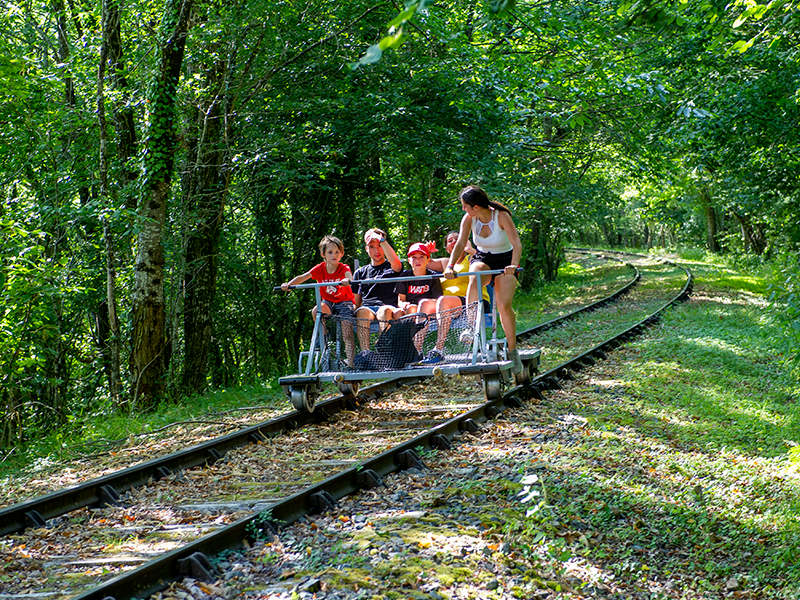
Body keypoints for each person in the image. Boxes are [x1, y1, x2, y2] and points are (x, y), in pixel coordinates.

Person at [443, 185, 523, 374]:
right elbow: (461, 243)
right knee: (475, 275)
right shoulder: (469, 219)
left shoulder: (501, 217)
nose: (464, 209)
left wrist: (513, 265)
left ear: (476, 206)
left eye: (465, 206)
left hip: (505, 260)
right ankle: (471, 327)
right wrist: (450, 266)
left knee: (503, 305)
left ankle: (512, 351)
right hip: (483, 258)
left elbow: (516, 243)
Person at [280, 235, 355, 368]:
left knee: (347, 332)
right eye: (330, 252)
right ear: (323, 255)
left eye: (337, 252)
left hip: (344, 302)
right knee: (317, 311)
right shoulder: (320, 269)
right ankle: (324, 338)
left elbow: (349, 276)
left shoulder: (343, 268)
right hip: (328, 302)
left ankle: (351, 362)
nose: (334, 255)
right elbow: (303, 277)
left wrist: (347, 280)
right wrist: (289, 285)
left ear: (342, 254)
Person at [421, 231, 491, 364]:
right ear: (447, 249)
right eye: (450, 241)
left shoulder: (472, 258)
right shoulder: (445, 263)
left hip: (473, 302)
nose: (453, 242)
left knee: (443, 300)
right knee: (424, 304)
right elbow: (421, 263)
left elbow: (487, 261)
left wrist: (470, 250)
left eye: (457, 239)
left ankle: (438, 350)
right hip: (448, 306)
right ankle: (416, 351)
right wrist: (427, 252)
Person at [351, 228, 403, 351]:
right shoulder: (360, 272)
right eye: (372, 247)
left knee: (383, 311)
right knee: (362, 312)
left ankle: (383, 349)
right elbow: (356, 302)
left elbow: (396, 262)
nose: (376, 251)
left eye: (379, 246)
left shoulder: (392, 267)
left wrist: (381, 239)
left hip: (388, 308)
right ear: (366, 249)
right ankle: (366, 353)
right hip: (368, 309)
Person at [392, 242, 443, 354]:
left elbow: (437, 300)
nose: (417, 260)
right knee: (397, 312)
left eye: (421, 257)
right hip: (409, 309)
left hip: (426, 311)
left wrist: (418, 306)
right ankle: (397, 349)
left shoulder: (433, 276)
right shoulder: (404, 276)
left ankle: (415, 350)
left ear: (428, 260)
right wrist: (403, 304)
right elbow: (400, 300)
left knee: (413, 310)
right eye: (414, 257)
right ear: (409, 260)